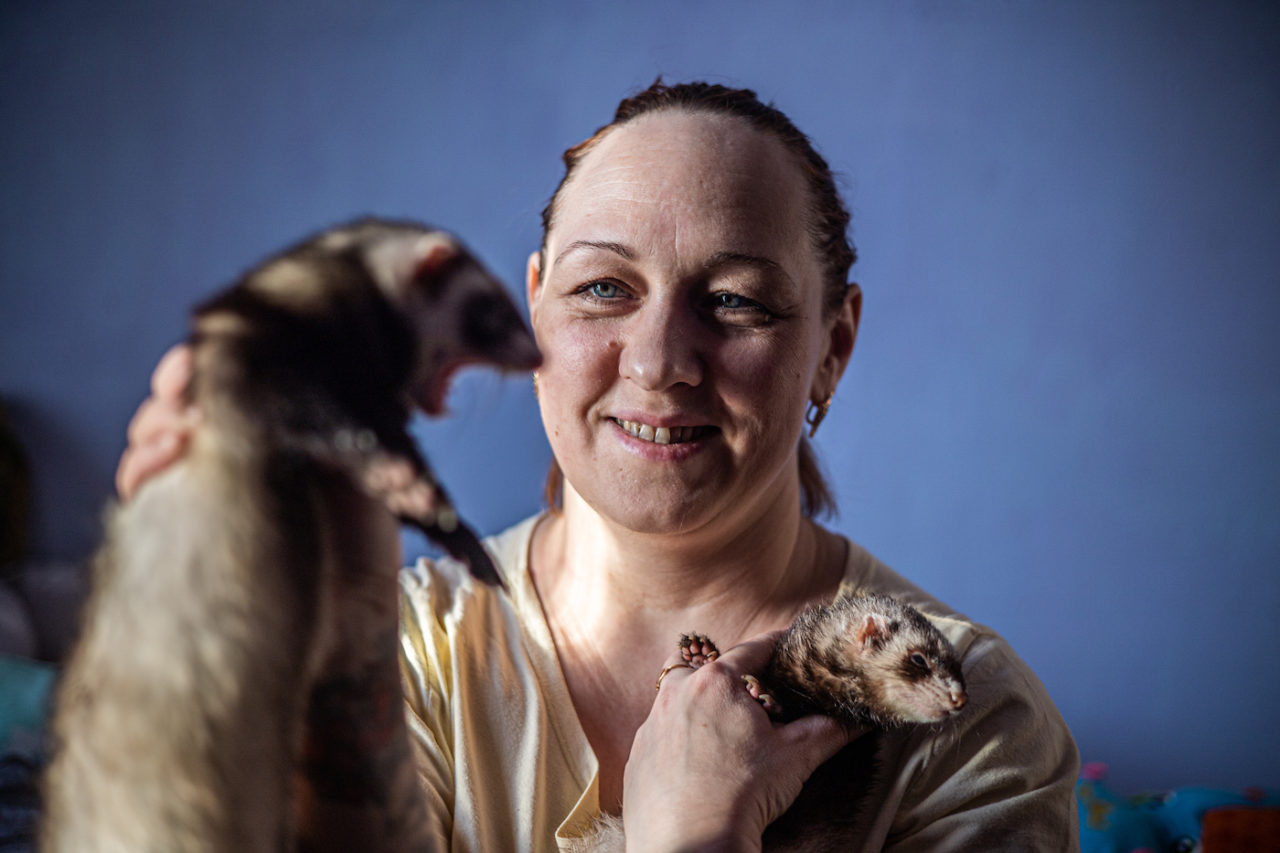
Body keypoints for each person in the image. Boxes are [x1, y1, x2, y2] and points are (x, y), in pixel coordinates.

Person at [117, 81, 1080, 851]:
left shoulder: (962, 715)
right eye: (605, 288)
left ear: (833, 344)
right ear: (534, 308)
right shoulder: (393, 655)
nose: (658, 361)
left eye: (735, 301)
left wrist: (699, 836)